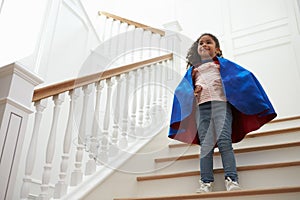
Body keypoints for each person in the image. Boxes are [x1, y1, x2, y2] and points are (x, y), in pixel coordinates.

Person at [168, 33, 277, 193]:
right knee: (206, 145)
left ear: (217, 50)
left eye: (208, 42)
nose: (204, 45)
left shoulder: (222, 65)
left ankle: (231, 179)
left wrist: (229, 85)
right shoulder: (194, 70)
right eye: (201, 43)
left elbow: (240, 77)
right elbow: (183, 90)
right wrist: (193, 91)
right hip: (202, 109)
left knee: (225, 141)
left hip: (222, 107)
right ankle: (206, 182)